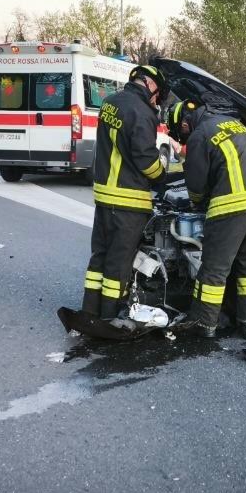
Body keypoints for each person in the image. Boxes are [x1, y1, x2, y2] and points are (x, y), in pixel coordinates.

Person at [168, 98, 246, 340]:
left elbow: (195, 185)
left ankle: (204, 323)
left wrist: (197, 201)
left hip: (232, 206)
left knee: (214, 268)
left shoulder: (199, 135)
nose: (182, 136)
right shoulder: (236, 124)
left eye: (179, 132)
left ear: (184, 124)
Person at [82, 65, 170, 319]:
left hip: (104, 197)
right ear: (151, 85)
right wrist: (162, 176)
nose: (157, 101)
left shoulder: (110, 102)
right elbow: (146, 159)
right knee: (118, 263)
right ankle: (109, 316)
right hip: (129, 201)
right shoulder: (142, 112)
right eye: (158, 95)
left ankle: (89, 310)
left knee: (99, 257)